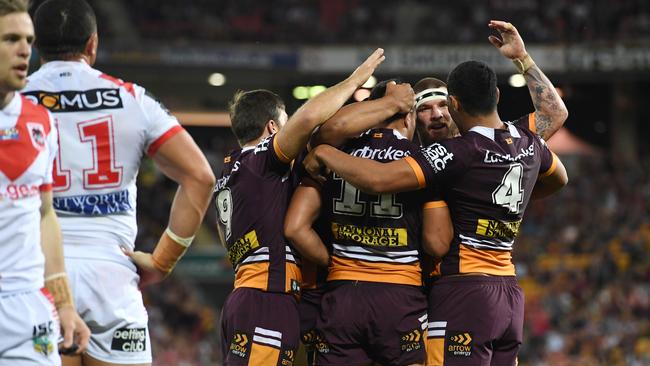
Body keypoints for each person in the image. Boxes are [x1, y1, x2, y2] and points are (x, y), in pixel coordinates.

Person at [303, 58, 568, 365]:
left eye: (443, 105)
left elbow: (380, 181)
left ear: (455, 106)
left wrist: (324, 152)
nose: (437, 115)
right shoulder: (515, 142)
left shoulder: (458, 152)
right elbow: (556, 147)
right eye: (425, 109)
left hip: (457, 290)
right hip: (462, 292)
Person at [23, 1, 216, 365]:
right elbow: (200, 177)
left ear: (35, 45)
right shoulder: (132, 99)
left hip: (38, 273)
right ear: (92, 44)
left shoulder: (13, 102)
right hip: (111, 276)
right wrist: (162, 261)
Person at [215, 49, 385, 366]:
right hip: (268, 298)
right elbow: (307, 119)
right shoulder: (261, 159)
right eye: (285, 123)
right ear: (271, 128)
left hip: (244, 296)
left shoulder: (227, 173)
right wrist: (354, 80)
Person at [285, 80, 453, 366]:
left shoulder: (336, 155)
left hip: (341, 295)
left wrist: (334, 261)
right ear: (409, 115)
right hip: (399, 296)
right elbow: (437, 244)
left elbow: (294, 227)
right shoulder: (420, 161)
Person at [0, 0, 89, 364]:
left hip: (27, 306)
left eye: (28, 39)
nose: (24, 50)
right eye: (10, 39)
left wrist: (64, 303)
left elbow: (46, 215)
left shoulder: (41, 121)